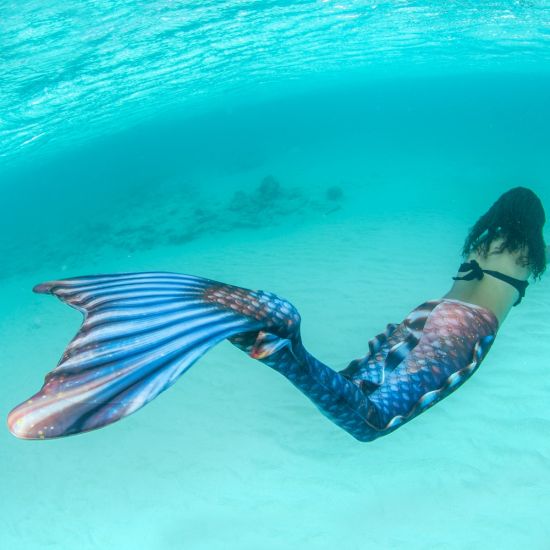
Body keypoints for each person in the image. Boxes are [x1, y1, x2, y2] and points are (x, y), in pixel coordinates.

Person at [7, 187, 548, 442]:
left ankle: (275, 337)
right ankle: (279, 340)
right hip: (462, 324)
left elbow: (471, 279)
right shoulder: (522, 250)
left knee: (359, 396)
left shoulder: (499, 237)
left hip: (443, 315)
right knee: (370, 421)